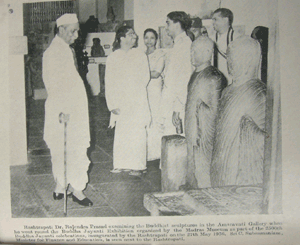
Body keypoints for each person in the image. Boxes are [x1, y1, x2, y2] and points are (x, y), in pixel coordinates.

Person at [42, 14, 93, 206]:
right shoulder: (53, 52)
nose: (77, 34)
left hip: (75, 109)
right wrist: (62, 110)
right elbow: (53, 85)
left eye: (77, 30)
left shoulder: (66, 49)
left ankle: (73, 187)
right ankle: (66, 186)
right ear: (61, 30)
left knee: (76, 147)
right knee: (64, 148)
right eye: (73, 31)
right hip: (64, 111)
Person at [211, 36, 266, 187]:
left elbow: (265, 139)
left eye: (235, 57)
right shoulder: (227, 91)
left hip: (240, 169)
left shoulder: (259, 92)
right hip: (221, 162)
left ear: (249, 60)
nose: (230, 62)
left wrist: (248, 129)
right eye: (229, 57)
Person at [105, 26, 151, 176]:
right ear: (121, 38)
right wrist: (112, 104)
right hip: (121, 101)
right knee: (122, 131)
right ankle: (121, 163)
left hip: (137, 99)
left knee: (137, 131)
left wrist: (134, 93)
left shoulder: (139, 55)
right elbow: (109, 81)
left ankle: (138, 166)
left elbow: (145, 77)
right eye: (131, 34)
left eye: (134, 34)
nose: (135, 36)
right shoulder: (113, 57)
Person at [184, 36, 227, 189]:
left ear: (209, 52)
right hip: (192, 130)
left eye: (196, 51)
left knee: (203, 171)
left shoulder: (213, 76)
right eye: (191, 51)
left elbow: (215, 112)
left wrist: (198, 126)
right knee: (192, 169)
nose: (192, 55)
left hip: (203, 135)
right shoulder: (195, 73)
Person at [159, 11, 193, 137]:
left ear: (177, 24)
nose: (166, 27)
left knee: (176, 143)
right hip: (171, 102)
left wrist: (177, 109)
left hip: (177, 104)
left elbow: (184, 79)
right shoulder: (179, 43)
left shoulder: (184, 44)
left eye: (168, 23)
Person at [143, 28, 165, 161]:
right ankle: (147, 151)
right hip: (144, 90)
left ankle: (157, 152)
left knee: (155, 117)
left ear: (156, 40)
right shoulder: (141, 55)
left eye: (152, 38)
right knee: (146, 118)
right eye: (146, 38)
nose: (149, 41)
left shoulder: (160, 54)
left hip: (155, 90)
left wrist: (141, 73)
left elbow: (156, 73)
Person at [212, 8, 236, 84]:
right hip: (215, 82)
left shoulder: (236, 38)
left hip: (230, 81)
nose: (213, 23)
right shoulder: (211, 38)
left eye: (215, 19)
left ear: (225, 20)